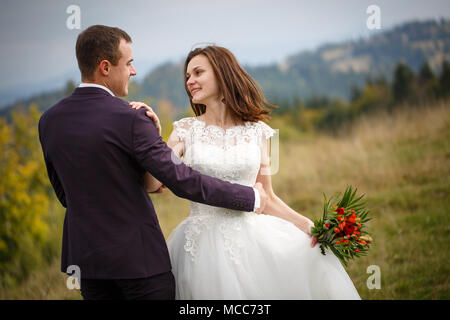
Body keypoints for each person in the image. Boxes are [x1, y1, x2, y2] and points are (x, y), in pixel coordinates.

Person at [38, 26, 268, 300]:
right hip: (139, 261)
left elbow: (65, 195)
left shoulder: (49, 121)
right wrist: (248, 196)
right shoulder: (131, 117)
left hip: (87, 263)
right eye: (129, 63)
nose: (133, 71)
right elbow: (181, 179)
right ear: (105, 67)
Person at [141, 45, 361, 299]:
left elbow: (267, 197)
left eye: (198, 72)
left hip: (252, 240)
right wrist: (154, 137)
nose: (190, 81)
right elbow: (152, 183)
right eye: (187, 77)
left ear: (222, 73)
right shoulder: (185, 130)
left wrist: (309, 226)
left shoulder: (258, 131)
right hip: (200, 248)